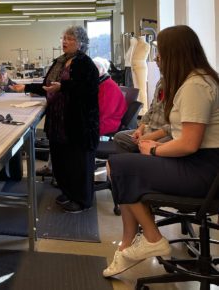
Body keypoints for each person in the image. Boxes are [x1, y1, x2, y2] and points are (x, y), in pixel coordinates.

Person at [103, 25, 219, 278]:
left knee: (120, 166)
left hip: (202, 172)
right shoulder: (196, 81)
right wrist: (155, 144)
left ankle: (150, 238)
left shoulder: (196, 86)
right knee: (123, 165)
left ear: (175, 53)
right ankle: (130, 243)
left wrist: (155, 151)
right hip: (200, 165)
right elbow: (181, 131)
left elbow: (188, 143)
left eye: (161, 53)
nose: (157, 59)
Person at [12, 26, 99, 213]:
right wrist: (26, 88)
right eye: (64, 38)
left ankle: (82, 200)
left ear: (81, 43)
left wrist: (63, 87)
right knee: (62, 160)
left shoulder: (85, 64)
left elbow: (85, 91)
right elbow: (47, 86)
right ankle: (69, 192)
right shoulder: (60, 61)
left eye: (70, 39)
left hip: (79, 122)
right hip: (59, 120)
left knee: (78, 162)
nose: (65, 42)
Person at [113, 77, 172, 153]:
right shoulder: (160, 82)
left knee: (150, 146)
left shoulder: (180, 86)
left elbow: (174, 125)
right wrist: (140, 129)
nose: (157, 64)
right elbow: (151, 109)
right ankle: (129, 163)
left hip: (166, 134)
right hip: (150, 129)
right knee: (119, 138)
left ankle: (141, 161)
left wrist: (149, 137)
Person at [93, 57, 127, 136]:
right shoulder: (101, 83)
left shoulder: (107, 86)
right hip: (103, 119)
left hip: (108, 122)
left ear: (100, 71)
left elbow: (103, 113)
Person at [131, 36, 150, 113]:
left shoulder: (146, 45)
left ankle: (145, 108)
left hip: (141, 67)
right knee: (136, 88)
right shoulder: (136, 44)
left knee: (142, 88)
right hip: (134, 66)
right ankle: (139, 108)